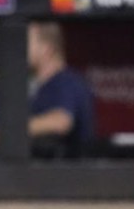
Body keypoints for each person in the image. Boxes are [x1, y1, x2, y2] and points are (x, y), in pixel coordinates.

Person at [26, 22, 94, 156]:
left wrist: (10, 131)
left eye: (26, 42)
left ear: (46, 48)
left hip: (73, 172)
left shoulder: (65, 81)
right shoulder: (41, 87)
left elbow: (61, 121)